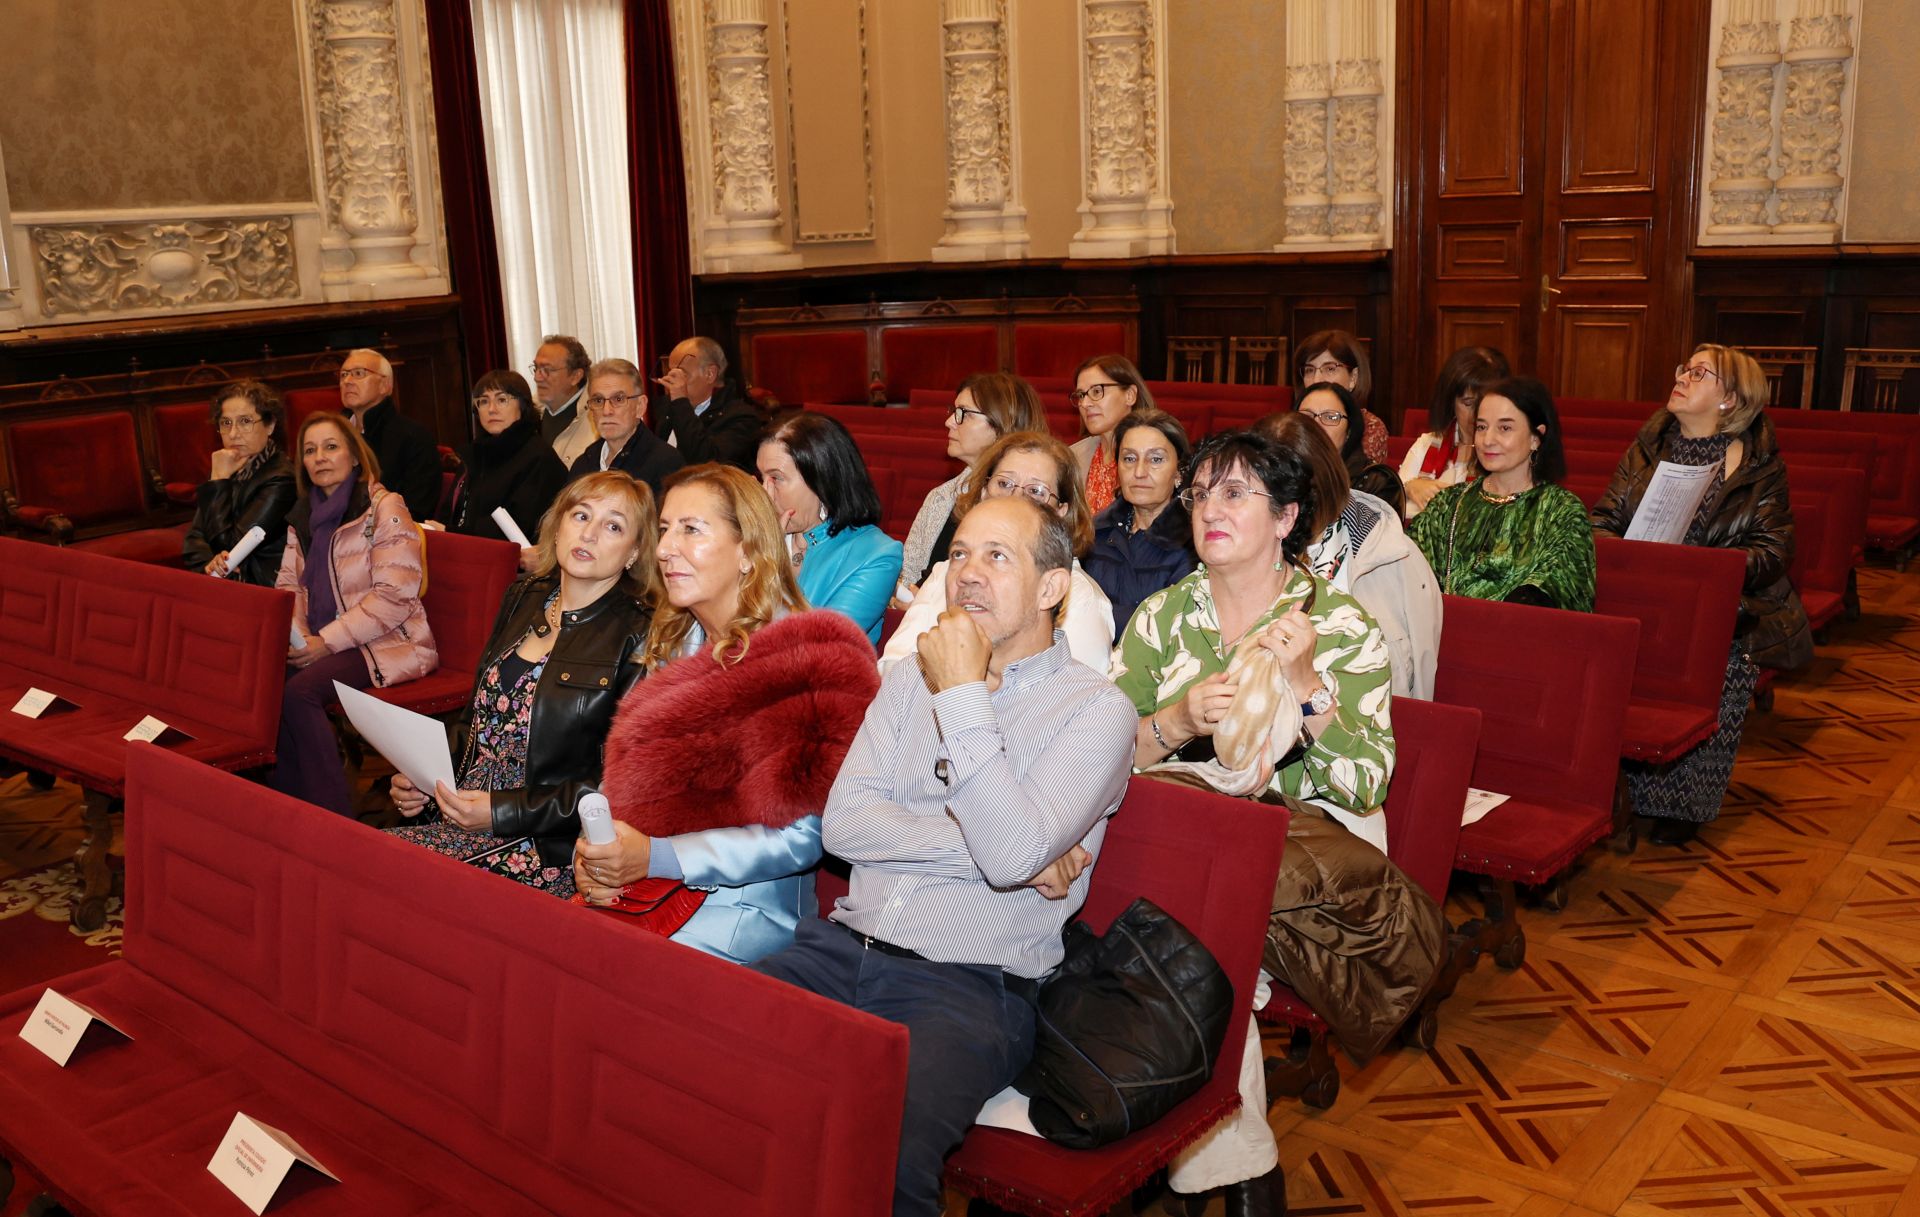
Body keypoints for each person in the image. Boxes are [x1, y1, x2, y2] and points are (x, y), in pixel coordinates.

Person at [755, 494, 1138, 1217]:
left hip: (967, 988)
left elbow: (1010, 850)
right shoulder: (906, 680)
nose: (966, 573)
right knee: (716, 1069)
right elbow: (843, 825)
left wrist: (963, 695)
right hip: (834, 950)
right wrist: (1016, 848)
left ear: (1052, 587)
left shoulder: (1094, 710)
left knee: (878, 1150)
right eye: (959, 552)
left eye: (997, 556)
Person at [1111, 430, 1442, 1214]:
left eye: (1236, 494)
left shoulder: (1340, 625)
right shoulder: (1162, 619)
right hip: (1196, 843)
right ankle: (1238, 1168)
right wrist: (1175, 718)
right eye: (1201, 494)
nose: (1210, 510)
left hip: (1314, 848)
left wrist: (1306, 691)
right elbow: (1100, 760)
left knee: (1192, 939)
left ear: (1287, 515)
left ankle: (1204, 1161)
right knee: (1180, 923)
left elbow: (1364, 785)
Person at [573, 464, 880, 965]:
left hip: (743, 911)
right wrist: (601, 857)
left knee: (593, 972)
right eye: (666, 528)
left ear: (747, 552)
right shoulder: (680, 640)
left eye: (691, 529)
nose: (666, 547)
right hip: (652, 886)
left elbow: (803, 838)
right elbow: (635, 791)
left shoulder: (812, 654)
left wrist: (656, 858)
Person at [388, 471, 657, 889]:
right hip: (463, 810)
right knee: (350, 855)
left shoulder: (639, 634)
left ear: (633, 553)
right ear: (558, 525)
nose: (588, 534)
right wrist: (425, 780)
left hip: (545, 843)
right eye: (581, 515)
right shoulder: (526, 595)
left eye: (613, 526)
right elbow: (478, 722)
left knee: (389, 873)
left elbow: (617, 788)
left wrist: (501, 812)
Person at [1592, 345, 1813, 846]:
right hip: (1644, 597)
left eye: (1699, 373)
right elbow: (1603, 519)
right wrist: (1627, 560)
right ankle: (1623, 796)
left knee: (1722, 655)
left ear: (1729, 399)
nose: (1682, 378)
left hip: (1722, 612)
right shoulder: (1648, 447)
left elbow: (1775, 549)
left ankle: (1684, 805)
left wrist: (1705, 574)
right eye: (1682, 369)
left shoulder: (1757, 466)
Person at [270, 414, 437, 817]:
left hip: (388, 641)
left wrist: (323, 643)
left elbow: (395, 596)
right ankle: (287, 809)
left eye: (331, 447)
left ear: (355, 457)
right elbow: (288, 585)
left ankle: (333, 817)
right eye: (310, 451)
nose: (320, 458)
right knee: (268, 682)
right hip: (324, 639)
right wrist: (299, 638)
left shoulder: (384, 506)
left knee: (299, 692)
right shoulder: (304, 516)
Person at [883, 431, 1115, 674]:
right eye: (1004, 484)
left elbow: (1071, 702)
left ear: (1061, 512)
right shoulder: (947, 573)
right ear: (984, 493)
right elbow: (893, 672)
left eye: (1036, 491)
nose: (1015, 499)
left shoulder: (1080, 599)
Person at [1258, 411, 1441, 699]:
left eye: (1299, 497)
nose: (1288, 512)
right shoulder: (1238, 549)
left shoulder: (1392, 556)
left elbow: (1419, 675)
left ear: (1326, 484)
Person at [1408, 376, 1595, 612]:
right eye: (1482, 427)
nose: (1487, 440)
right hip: (1440, 636)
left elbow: (1554, 591)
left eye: (1504, 428)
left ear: (1536, 438)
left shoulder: (1561, 511)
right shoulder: (1449, 503)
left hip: (1518, 639)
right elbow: (1407, 570)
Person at [757, 411, 903, 644]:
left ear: (822, 479)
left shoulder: (877, 555)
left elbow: (816, 645)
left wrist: (766, 557)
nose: (765, 491)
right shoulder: (752, 536)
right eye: (762, 477)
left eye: (777, 478)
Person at [898, 371, 1048, 594]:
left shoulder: (1032, 502)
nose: (949, 422)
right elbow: (908, 574)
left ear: (1001, 425)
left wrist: (932, 604)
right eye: (953, 411)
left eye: (964, 414)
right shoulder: (941, 496)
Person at [1083, 406, 1196, 635]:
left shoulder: (1194, 542)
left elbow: (1169, 625)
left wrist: (1098, 617)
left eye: (1155, 459)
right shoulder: (1094, 533)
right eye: (1129, 458)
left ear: (1179, 473)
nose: (1139, 471)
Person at [441, 370, 568, 559]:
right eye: (483, 401)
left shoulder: (538, 457)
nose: (491, 409)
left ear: (523, 405)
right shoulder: (475, 454)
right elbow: (453, 511)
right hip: (466, 553)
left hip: (517, 566)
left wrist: (451, 533)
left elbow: (519, 528)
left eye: (502, 400)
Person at [182, 379, 295, 586]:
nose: (233, 433)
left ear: (270, 425)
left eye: (245, 421)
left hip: (265, 586)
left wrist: (218, 480)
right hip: (225, 581)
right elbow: (193, 540)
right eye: (226, 423)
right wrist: (210, 563)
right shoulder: (229, 466)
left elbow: (234, 548)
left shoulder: (282, 478)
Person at [1400, 345, 1509, 517]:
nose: (1477, 413)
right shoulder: (1427, 444)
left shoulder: (1507, 452)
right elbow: (1395, 495)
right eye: (1468, 403)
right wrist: (1410, 487)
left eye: (1486, 403)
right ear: (1451, 402)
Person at [335, 347, 441, 523]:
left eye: (358, 373)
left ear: (385, 385)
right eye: (343, 375)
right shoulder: (333, 435)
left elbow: (415, 511)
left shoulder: (414, 438)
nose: (347, 381)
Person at [567, 358, 684, 497]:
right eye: (598, 400)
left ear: (640, 406)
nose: (606, 411)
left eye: (618, 399)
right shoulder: (583, 463)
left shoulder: (665, 463)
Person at [651, 336, 762, 472]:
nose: (671, 381)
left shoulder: (742, 417)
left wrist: (681, 402)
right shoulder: (668, 408)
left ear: (710, 374)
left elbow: (705, 463)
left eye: (681, 374)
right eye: (671, 373)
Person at [1297, 382, 1404, 515]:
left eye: (1330, 417)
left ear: (1349, 431)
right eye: (1306, 416)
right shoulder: (1280, 471)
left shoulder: (1377, 482)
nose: (1316, 425)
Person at [1070, 353, 1153, 514]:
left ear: (1130, 395)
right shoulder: (1074, 456)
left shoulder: (1153, 459)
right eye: (1081, 395)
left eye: (1096, 391)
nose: (1085, 403)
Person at [1296, 330, 1390, 464]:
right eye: (1309, 370)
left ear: (1353, 377)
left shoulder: (1370, 428)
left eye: (1330, 369)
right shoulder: (1293, 421)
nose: (1316, 380)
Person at [530, 334, 598, 466]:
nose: (537, 378)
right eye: (536, 368)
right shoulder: (527, 411)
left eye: (547, 370)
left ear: (575, 376)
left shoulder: (599, 418)